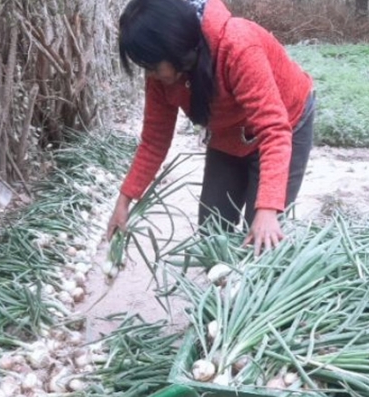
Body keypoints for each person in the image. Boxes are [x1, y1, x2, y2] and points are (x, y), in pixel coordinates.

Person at [105, 0, 316, 256]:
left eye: (152, 66)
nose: (150, 75)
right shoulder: (164, 76)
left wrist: (268, 208)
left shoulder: (236, 44)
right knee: (212, 231)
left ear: (174, 45)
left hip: (284, 122)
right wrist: (124, 199)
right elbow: (154, 140)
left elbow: (273, 129)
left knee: (262, 238)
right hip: (229, 132)